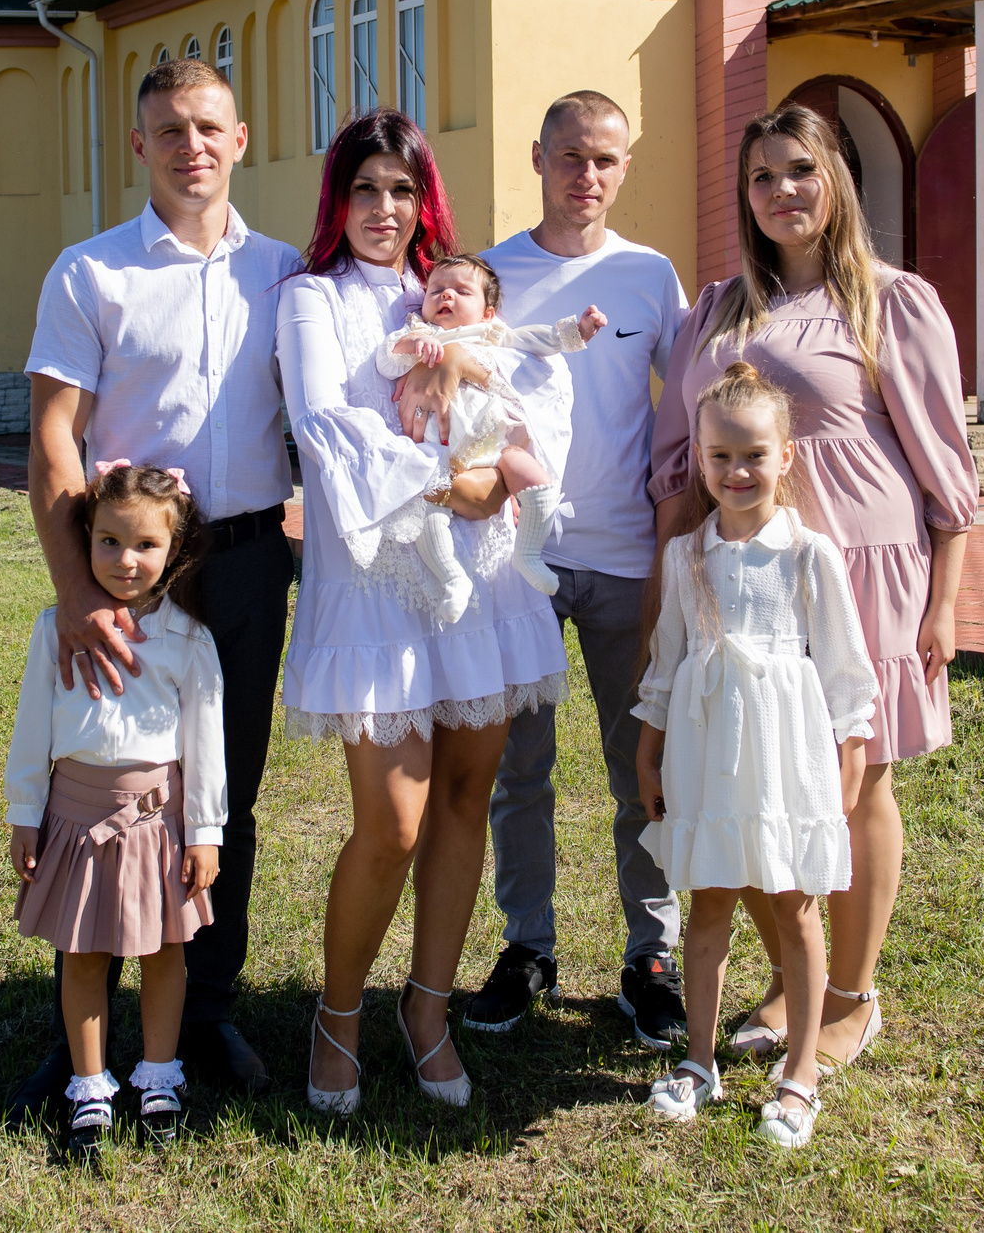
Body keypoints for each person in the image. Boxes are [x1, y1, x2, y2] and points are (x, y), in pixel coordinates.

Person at [647, 101, 975, 1083]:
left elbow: (944, 466)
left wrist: (943, 600)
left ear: (834, 181)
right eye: (761, 177)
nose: (781, 190)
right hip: (739, 581)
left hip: (860, 564)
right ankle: (795, 977)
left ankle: (850, 994)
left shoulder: (890, 300)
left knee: (851, 777)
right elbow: (674, 458)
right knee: (759, 780)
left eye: (800, 170)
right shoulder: (713, 308)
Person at [14, 57, 300, 1119]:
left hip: (247, 560)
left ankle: (206, 1009)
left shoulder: (282, 274)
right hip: (128, 571)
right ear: (139, 145)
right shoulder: (89, 273)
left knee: (227, 791)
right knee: (96, 790)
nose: (191, 146)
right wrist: (79, 593)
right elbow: (52, 435)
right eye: (170, 129)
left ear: (239, 138)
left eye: (209, 127)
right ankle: (79, 1037)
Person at [278, 109, 572, 1114]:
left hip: (478, 581)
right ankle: (339, 1012)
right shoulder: (311, 300)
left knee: (462, 799)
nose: (385, 209)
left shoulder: (453, 293)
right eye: (366, 188)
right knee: (391, 821)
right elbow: (328, 426)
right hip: (378, 580)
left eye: (402, 191)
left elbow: (524, 388)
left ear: (423, 201)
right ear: (338, 197)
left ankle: (429, 1007)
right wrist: (455, 479)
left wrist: (504, 476)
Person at [467, 92, 694, 1048]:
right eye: (569, 156)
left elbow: (684, 415)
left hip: (624, 558)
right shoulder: (494, 275)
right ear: (537, 156)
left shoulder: (650, 278)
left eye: (604, 159)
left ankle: (651, 954)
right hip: (517, 564)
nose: (585, 176)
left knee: (639, 762)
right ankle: (528, 945)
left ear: (625, 166)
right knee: (520, 769)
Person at [634, 360, 877, 1149]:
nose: (736, 472)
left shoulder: (808, 556)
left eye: (753, 456)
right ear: (700, 460)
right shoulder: (686, 556)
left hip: (785, 750)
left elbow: (844, 668)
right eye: (719, 458)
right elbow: (668, 662)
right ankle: (698, 1060)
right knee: (708, 900)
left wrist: (849, 749)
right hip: (706, 750)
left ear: (786, 456)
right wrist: (649, 745)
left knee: (792, 903)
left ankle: (800, 1072)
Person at [5, 463, 226, 1155]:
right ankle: (90, 1085)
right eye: (108, 542)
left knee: (165, 953)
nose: (125, 561)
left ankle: (159, 1077)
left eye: (145, 546)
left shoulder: (190, 641)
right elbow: (32, 729)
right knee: (84, 955)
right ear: (86, 539)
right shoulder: (55, 629)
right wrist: (24, 813)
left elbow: (205, 746)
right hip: (74, 820)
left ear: (175, 550)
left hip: (160, 825)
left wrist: (205, 832)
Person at [374, 252, 604, 619]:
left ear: (487, 312)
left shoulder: (491, 334)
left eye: (461, 291)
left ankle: (528, 553)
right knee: (428, 516)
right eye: (436, 290)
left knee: (536, 481)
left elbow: (536, 339)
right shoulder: (421, 331)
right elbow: (386, 359)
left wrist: (576, 332)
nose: (445, 296)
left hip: (491, 445)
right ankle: (451, 579)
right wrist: (412, 347)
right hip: (441, 451)